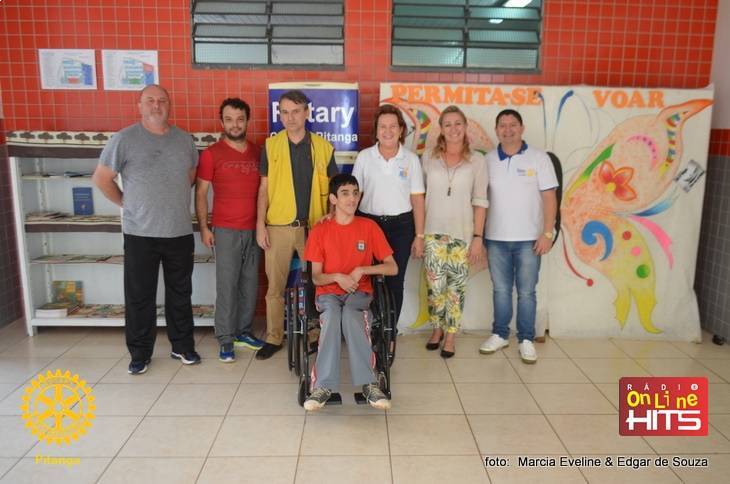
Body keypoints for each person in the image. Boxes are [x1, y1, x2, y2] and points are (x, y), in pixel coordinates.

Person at [93, 84, 201, 374]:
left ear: (169, 105)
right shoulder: (124, 139)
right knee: (140, 296)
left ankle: (182, 346)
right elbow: (102, 178)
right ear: (139, 106)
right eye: (150, 100)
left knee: (181, 293)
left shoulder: (184, 140)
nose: (156, 105)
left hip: (179, 231)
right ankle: (140, 353)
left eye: (162, 101)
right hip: (140, 233)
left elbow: (190, 176)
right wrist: (125, 203)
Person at [302, 174, 397, 411]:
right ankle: (322, 386)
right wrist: (337, 277)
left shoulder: (369, 227)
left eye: (355, 193)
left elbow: (392, 267)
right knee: (333, 317)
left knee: (351, 316)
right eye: (345, 193)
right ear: (333, 199)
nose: (352, 198)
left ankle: (370, 385)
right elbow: (316, 277)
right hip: (328, 293)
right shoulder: (320, 231)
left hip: (359, 293)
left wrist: (362, 269)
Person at [255, 90, 338, 360]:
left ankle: (315, 336)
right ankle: (274, 337)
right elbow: (263, 189)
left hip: (314, 228)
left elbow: (335, 191)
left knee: (318, 284)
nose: (290, 117)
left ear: (306, 113)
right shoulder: (270, 146)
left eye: (296, 111)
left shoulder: (323, 148)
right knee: (275, 288)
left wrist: (331, 221)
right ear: (279, 114)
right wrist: (260, 225)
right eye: (285, 112)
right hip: (278, 227)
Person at [479, 109, 558, 364]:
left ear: (522, 128)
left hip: (529, 239)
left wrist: (548, 233)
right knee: (501, 290)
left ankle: (526, 339)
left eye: (513, 125)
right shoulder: (487, 160)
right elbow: (480, 199)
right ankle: (500, 334)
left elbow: (550, 198)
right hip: (496, 238)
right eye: (502, 125)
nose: (508, 130)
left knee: (526, 292)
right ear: (496, 130)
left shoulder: (539, 158)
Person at [195, 97, 265, 363]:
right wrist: (204, 227)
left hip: (254, 230)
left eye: (240, 119)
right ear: (221, 122)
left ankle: (243, 332)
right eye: (229, 119)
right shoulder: (211, 154)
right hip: (225, 230)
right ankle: (226, 339)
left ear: (247, 121)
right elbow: (201, 193)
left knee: (250, 284)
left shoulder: (258, 152)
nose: (235, 124)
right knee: (227, 286)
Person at [421, 106, 488, 358]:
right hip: (432, 233)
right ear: (441, 128)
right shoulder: (428, 157)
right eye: (447, 124)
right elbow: (419, 197)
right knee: (435, 288)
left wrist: (478, 238)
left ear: (465, 126)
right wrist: (419, 235)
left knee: (456, 289)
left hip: (463, 235)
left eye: (458, 123)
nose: (453, 129)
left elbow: (480, 201)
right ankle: (436, 329)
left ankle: (450, 335)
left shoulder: (477, 161)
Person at [351, 104, 425, 326]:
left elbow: (417, 200)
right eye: (382, 126)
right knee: (368, 280)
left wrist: (419, 236)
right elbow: (354, 195)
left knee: (395, 280)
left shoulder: (411, 159)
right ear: (376, 130)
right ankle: (370, 330)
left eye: (393, 126)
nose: (388, 131)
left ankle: (389, 333)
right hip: (369, 224)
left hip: (401, 228)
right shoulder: (365, 157)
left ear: (401, 130)